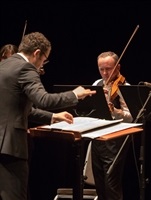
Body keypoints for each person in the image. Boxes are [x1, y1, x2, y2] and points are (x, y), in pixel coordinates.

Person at [0, 32, 96, 200]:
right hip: (11, 147)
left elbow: (19, 109)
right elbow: (43, 99)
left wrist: (53, 117)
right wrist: (74, 95)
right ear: (37, 53)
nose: (42, 65)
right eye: (44, 60)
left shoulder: (4, 65)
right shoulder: (26, 68)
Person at [91, 51, 133, 200]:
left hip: (116, 140)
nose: (104, 73)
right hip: (97, 137)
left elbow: (131, 117)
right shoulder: (96, 84)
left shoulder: (124, 87)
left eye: (108, 69)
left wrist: (115, 111)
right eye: (101, 69)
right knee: (99, 183)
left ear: (118, 67)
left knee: (111, 184)